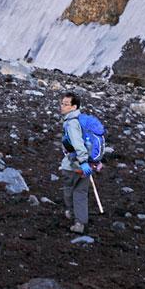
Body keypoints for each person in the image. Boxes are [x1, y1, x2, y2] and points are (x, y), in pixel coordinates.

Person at [60, 91, 93, 234]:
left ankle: (73, 216)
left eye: (66, 104)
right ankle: (81, 222)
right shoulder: (82, 121)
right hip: (85, 165)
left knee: (69, 192)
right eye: (62, 103)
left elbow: (78, 144)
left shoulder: (71, 123)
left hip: (72, 166)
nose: (62, 106)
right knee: (81, 193)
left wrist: (83, 161)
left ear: (74, 107)